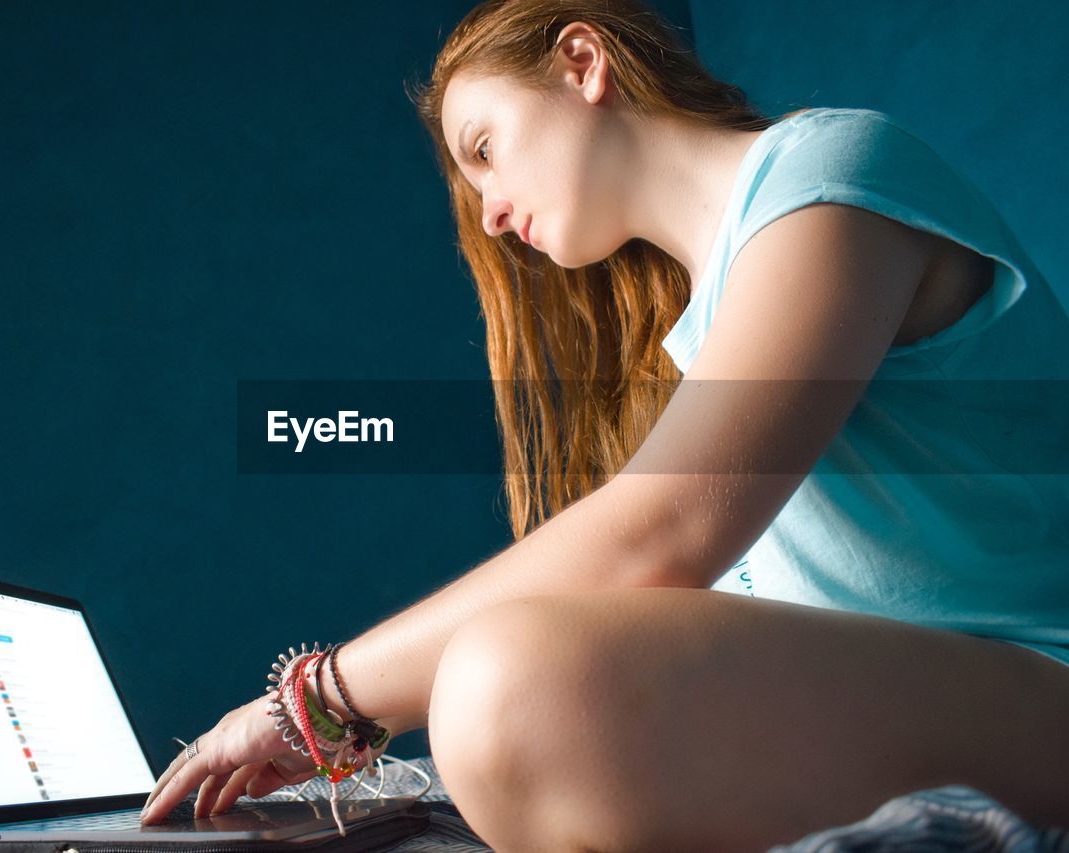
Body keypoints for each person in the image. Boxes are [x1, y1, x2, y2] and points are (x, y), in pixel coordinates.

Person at [140, 0, 1069, 848]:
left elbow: (665, 531)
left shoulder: (829, 171)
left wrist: (317, 702)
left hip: (1039, 688)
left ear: (583, 62)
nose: (492, 215)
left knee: (511, 684)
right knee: (523, 696)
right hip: (920, 696)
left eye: (485, 148)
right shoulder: (712, 322)